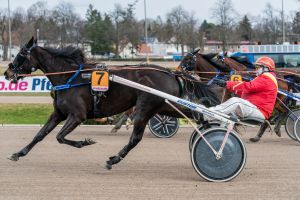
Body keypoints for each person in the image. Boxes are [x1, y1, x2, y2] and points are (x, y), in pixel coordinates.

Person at [210, 56, 278, 121]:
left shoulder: (267, 78)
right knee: (226, 115)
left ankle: (209, 113)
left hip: (260, 110)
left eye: (258, 67)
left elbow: (248, 86)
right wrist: (228, 86)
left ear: (266, 68)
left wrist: (227, 83)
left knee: (236, 102)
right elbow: (245, 91)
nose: (256, 69)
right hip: (255, 108)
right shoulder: (263, 78)